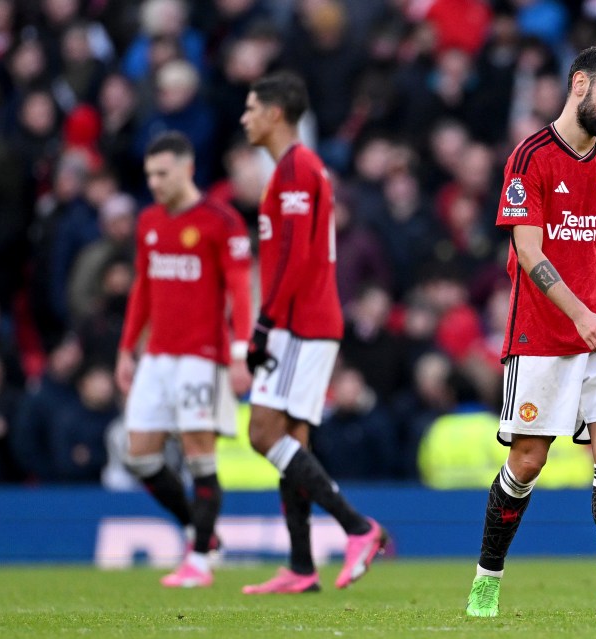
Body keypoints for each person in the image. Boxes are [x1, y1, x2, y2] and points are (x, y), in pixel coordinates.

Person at [464, 46, 596, 618]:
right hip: (542, 336)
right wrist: (581, 316)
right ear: (579, 84)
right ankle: (487, 577)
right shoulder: (529, 158)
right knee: (529, 460)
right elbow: (527, 252)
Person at [239, 71, 387, 595]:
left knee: (263, 434)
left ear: (275, 113)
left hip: (300, 322)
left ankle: (358, 527)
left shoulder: (298, 167)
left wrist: (264, 321)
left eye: (252, 108)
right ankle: (302, 565)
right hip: (302, 320)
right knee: (293, 442)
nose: (244, 117)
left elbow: (297, 258)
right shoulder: (293, 169)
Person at [115, 131, 253, 588]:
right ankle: (203, 533)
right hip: (156, 357)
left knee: (199, 454)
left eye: (162, 173)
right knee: (139, 456)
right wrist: (125, 348)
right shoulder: (149, 221)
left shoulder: (220, 221)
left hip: (203, 356)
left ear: (186, 168)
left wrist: (240, 351)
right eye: (149, 174)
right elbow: (143, 289)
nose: (154, 182)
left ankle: (199, 559)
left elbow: (240, 288)